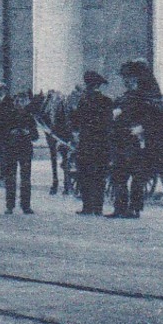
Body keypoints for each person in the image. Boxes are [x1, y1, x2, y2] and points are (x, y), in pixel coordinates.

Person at [109, 60, 154, 218]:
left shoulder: (143, 98)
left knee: (136, 176)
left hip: (134, 141)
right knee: (118, 175)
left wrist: (142, 128)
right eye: (125, 78)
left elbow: (151, 117)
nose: (126, 81)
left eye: (129, 78)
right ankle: (119, 208)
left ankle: (134, 209)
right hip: (120, 139)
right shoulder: (123, 97)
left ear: (136, 79)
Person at [73, 70, 113, 215]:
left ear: (88, 85)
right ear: (99, 85)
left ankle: (87, 206)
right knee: (100, 176)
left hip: (85, 144)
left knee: (84, 175)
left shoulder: (83, 101)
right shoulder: (107, 101)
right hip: (102, 145)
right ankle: (98, 207)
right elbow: (109, 124)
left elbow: (76, 122)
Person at [0, 89, 38, 215]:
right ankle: (10, 205)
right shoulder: (8, 115)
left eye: (22, 101)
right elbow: (1, 132)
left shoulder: (29, 116)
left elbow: (35, 135)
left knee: (26, 178)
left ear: (25, 102)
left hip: (25, 149)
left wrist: (29, 133)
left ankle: (26, 205)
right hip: (11, 149)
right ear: (14, 102)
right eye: (18, 101)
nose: (20, 103)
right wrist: (11, 132)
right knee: (11, 178)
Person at [42, 88, 75, 195]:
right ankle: (65, 183)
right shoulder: (63, 104)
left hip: (58, 132)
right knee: (64, 157)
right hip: (63, 133)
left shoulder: (51, 105)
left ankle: (58, 182)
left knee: (57, 157)